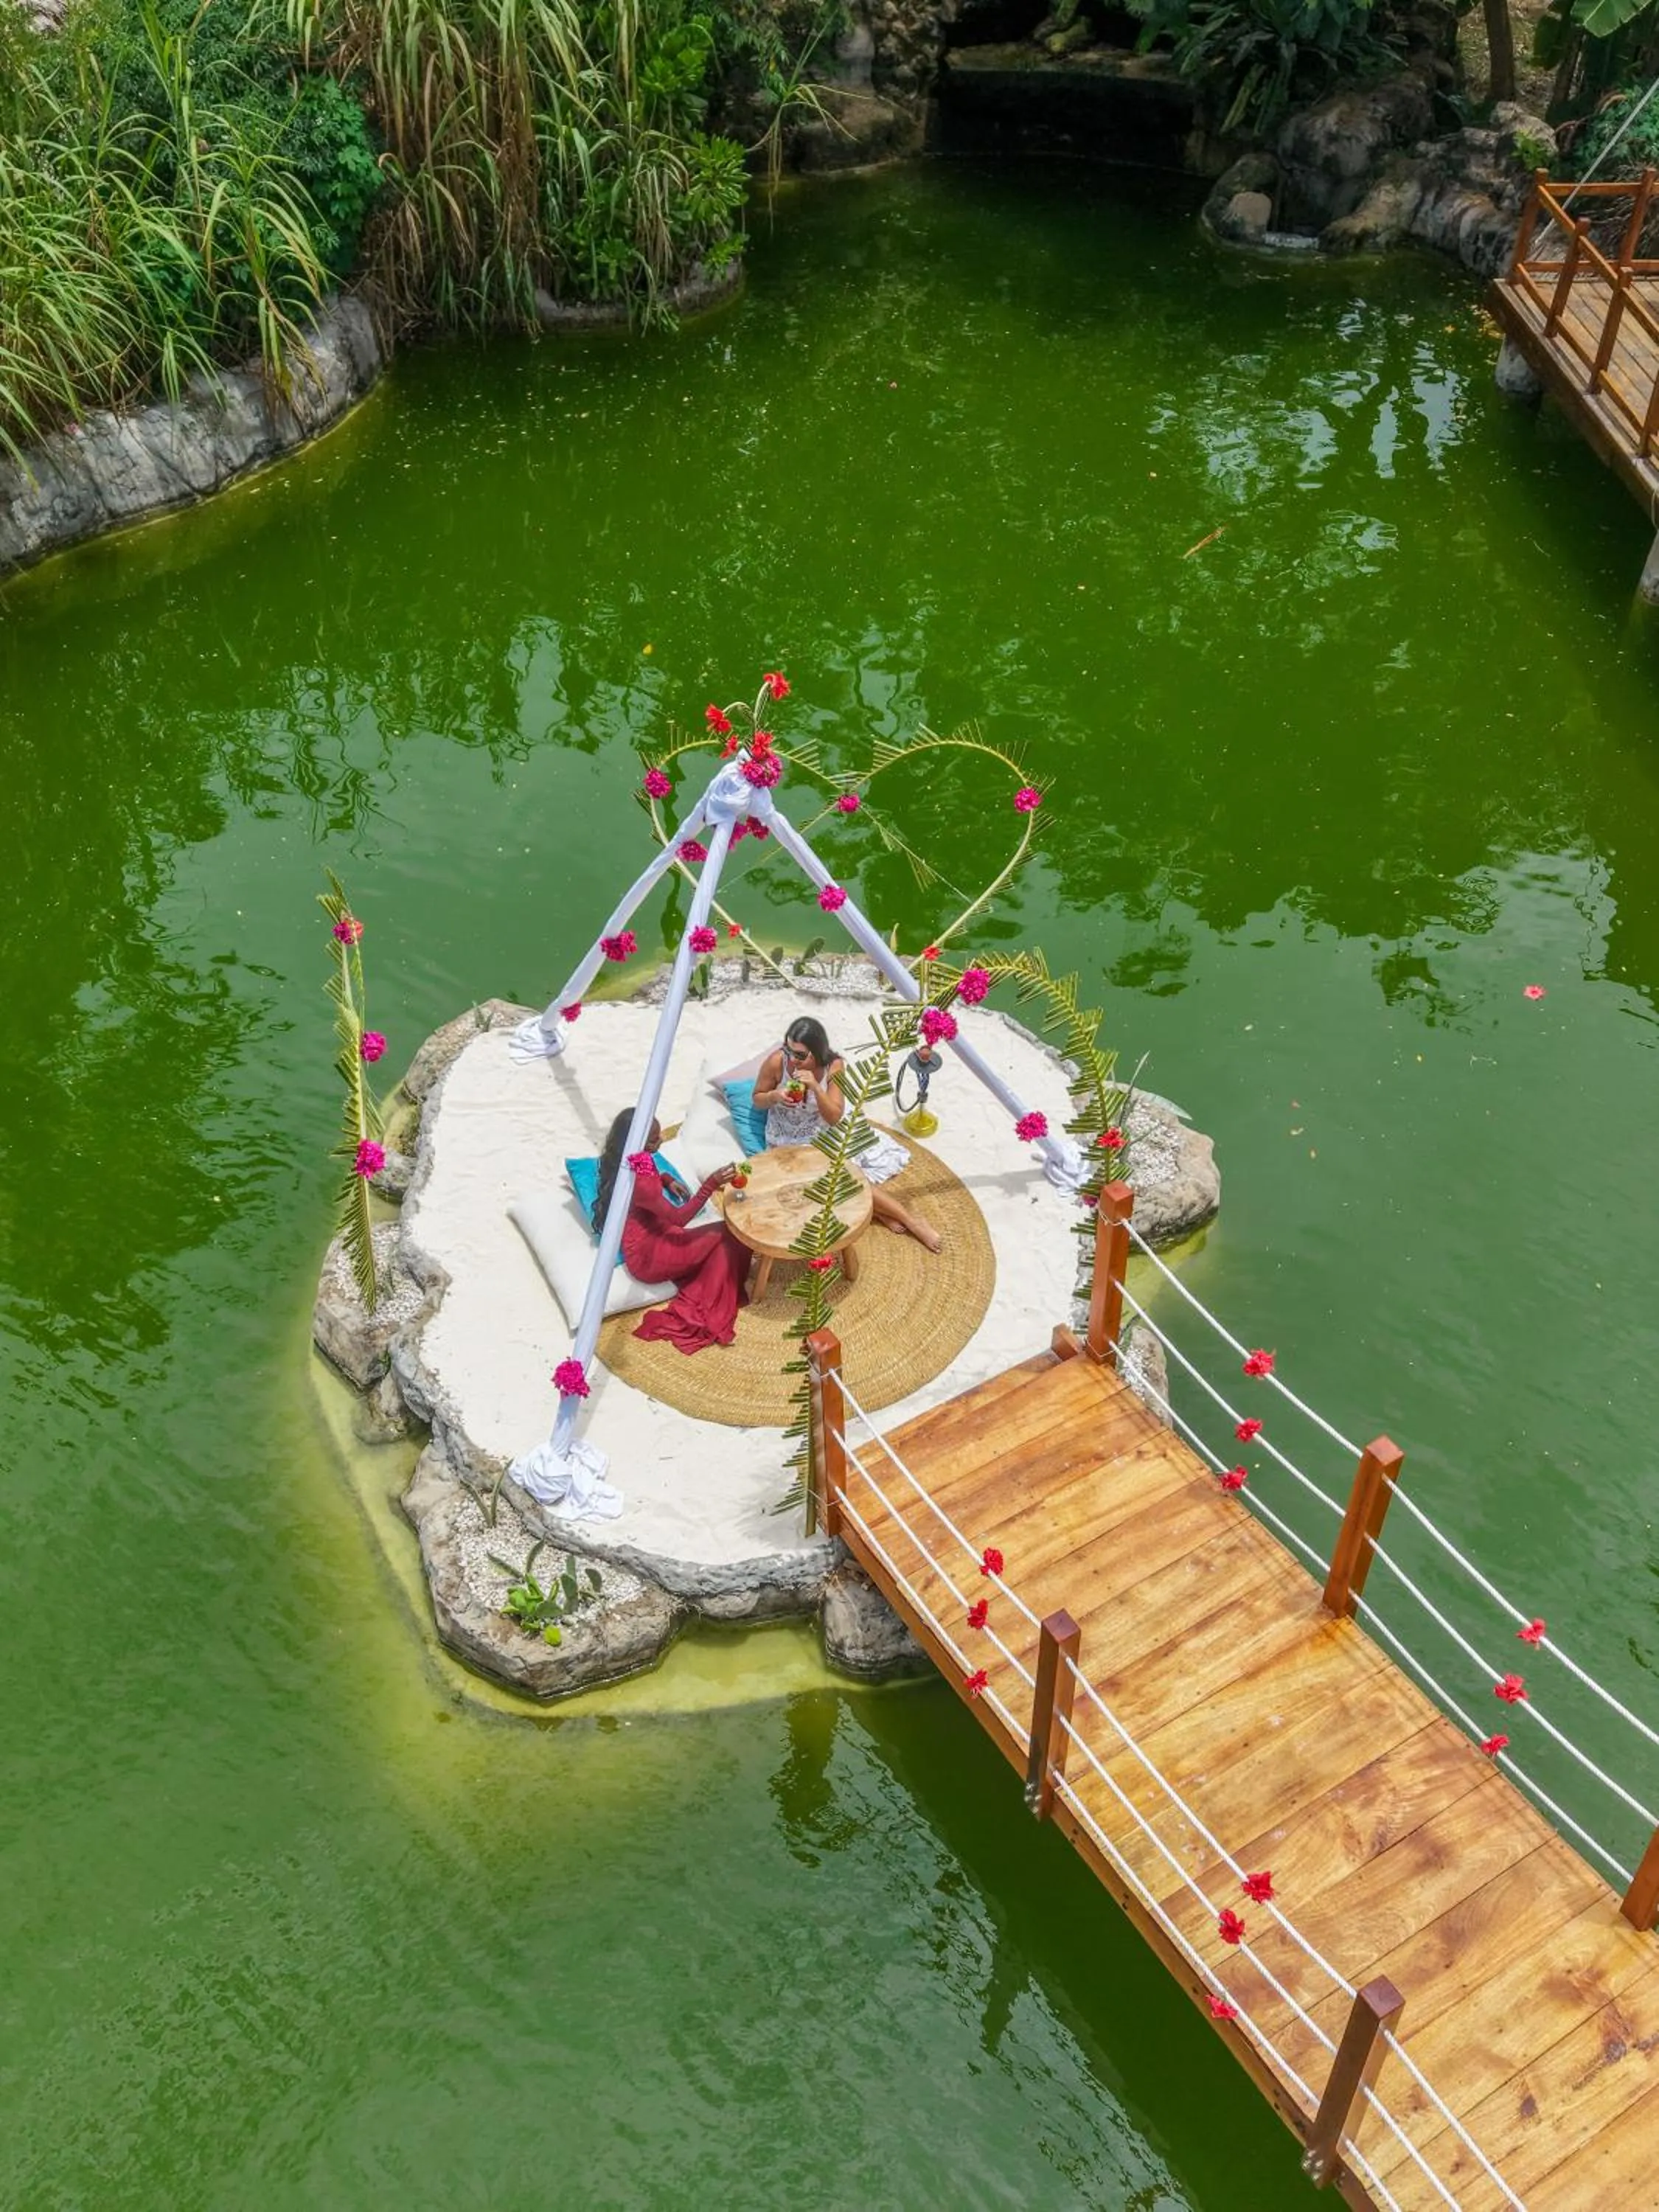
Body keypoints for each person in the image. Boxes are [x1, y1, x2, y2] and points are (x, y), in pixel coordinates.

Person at [754, 1015, 942, 1253]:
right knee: (819, 1187)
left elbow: (833, 1116)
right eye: (789, 1050)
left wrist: (814, 1087)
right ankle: (877, 1211)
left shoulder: (834, 1066)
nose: (793, 1059)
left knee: (841, 1176)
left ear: (817, 1051)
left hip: (822, 1127)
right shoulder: (776, 1062)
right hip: (786, 1133)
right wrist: (774, 1096)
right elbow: (757, 1098)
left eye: (800, 1055)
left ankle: (912, 1219)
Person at [591, 1111, 747, 1354]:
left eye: (659, 1135)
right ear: (637, 1141)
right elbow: (680, 1218)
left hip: (656, 1233)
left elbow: (651, 1178)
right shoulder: (640, 1182)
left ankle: (712, 1285)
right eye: (653, 1140)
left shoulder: (635, 1158)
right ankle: (706, 1304)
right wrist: (711, 1184)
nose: (660, 1141)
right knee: (727, 1235)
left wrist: (665, 1179)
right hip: (649, 1257)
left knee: (725, 1240)